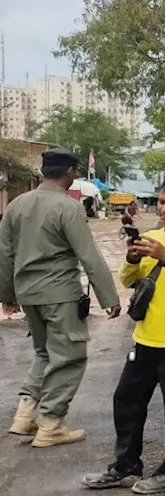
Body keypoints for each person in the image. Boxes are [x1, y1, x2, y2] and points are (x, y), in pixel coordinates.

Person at [80, 175, 165, 494]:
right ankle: (125, 466)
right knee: (126, 400)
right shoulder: (152, 235)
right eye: (161, 202)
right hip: (145, 337)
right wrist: (132, 260)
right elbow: (131, 280)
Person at [1, 149, 121, 447]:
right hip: (59, 294)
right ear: (69, 172)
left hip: (28, 294)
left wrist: (7, 296)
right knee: (69, 355)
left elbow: (4, 254)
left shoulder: (16, 205)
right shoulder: (68, 208)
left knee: (44, 352)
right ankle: (51, 424)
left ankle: (26, 415)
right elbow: (88, 255)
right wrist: (109, 296)